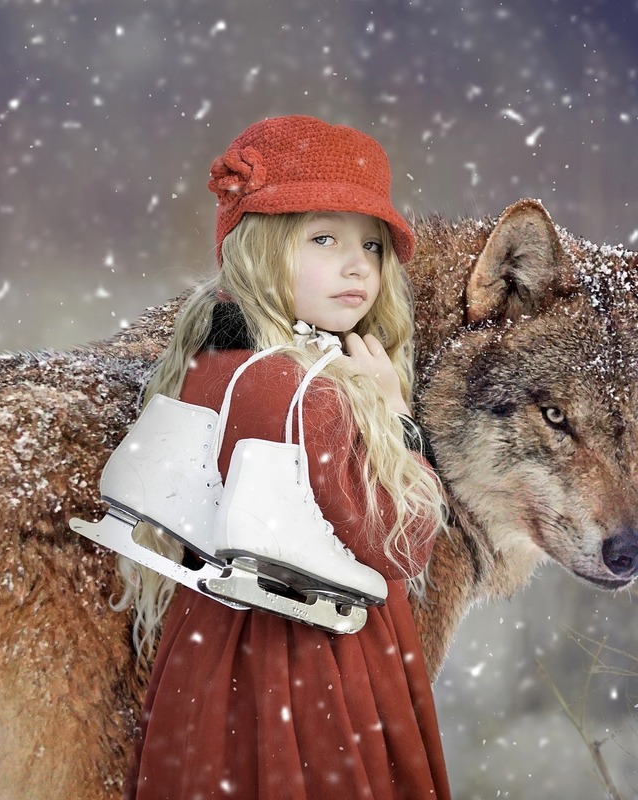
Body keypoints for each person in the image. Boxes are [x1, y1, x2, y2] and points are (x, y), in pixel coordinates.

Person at [120, 115, 451, 799]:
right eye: (323, 238)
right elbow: (397, 545)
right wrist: (396, 422)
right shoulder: (306, 392)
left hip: (212, 662)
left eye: (372, 244)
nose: (358, 264)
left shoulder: (215, 359)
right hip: (311, 676)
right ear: (261, 248)